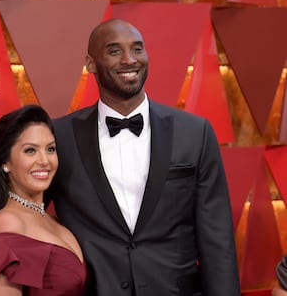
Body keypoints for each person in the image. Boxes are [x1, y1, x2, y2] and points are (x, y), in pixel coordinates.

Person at [47, 18, 241, 295]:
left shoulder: (195, 132)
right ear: (90, 63)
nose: (129, 59)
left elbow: (217, 237)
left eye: (137, 49)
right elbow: (31, 213)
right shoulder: (59, 137)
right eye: (114, 51)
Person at [0, 105, 86, 296]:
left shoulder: (51, 218)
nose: (44, 160)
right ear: (5, 162)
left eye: (50, 149)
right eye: (30, 151)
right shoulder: (7, 223)